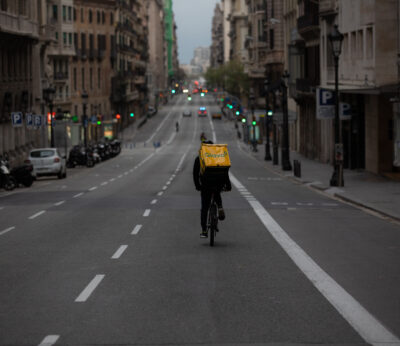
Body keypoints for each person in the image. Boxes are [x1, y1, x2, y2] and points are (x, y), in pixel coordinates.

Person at [193, 140, 231, 238]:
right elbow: (225, 171)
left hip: (205, 186)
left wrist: (198, 186)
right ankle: (220, 207)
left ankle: (204, 230)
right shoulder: (218, 158)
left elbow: (195, 174)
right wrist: (228, 185)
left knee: (204, 209)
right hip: (218, 183)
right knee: (217, 192)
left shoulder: (199, 159)